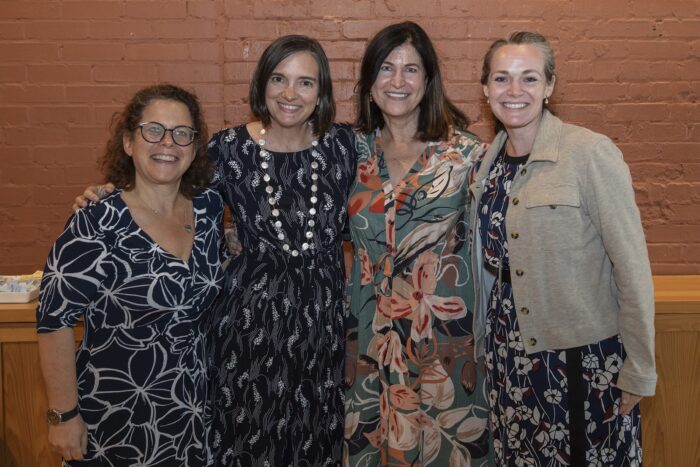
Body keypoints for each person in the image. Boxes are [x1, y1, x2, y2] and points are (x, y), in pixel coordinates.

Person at [471, 31, 656, 466]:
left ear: (550, 86)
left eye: (529, 78)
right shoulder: (488, 162)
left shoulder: (589, 153)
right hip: (506, 352)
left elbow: (631, 268)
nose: (514, 91)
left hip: (581, 360)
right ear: (485, 89)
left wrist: (640, 367)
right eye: (501, 79)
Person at [36, 84, 225, 466]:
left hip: (193, 416)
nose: (167, 143)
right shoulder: (97, 220)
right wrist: (63, 415)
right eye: (153, 130)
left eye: (182, 133)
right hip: (117, 419)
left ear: (194, 146)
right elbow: (53, 318)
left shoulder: (209, 210)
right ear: (128, 142)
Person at [343, 22, 492, 466]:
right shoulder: (349, 153)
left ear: (428, 82)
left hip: (445, 342)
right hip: (370, 338)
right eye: (386, 68)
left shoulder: (467, 155)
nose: (398, 81)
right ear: (370, 83)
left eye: (411, 69)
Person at [205, 35, 356, 466]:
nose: (290, 94)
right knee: (247, 440)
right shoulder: (228, 149)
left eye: (305, 82)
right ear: (262, 83)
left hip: (321, 327)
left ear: (321, 91)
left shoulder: (343, 146)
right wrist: (105, 194)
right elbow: (177, 207)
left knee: (315, 440)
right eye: (279, 78)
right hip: (248, 327)